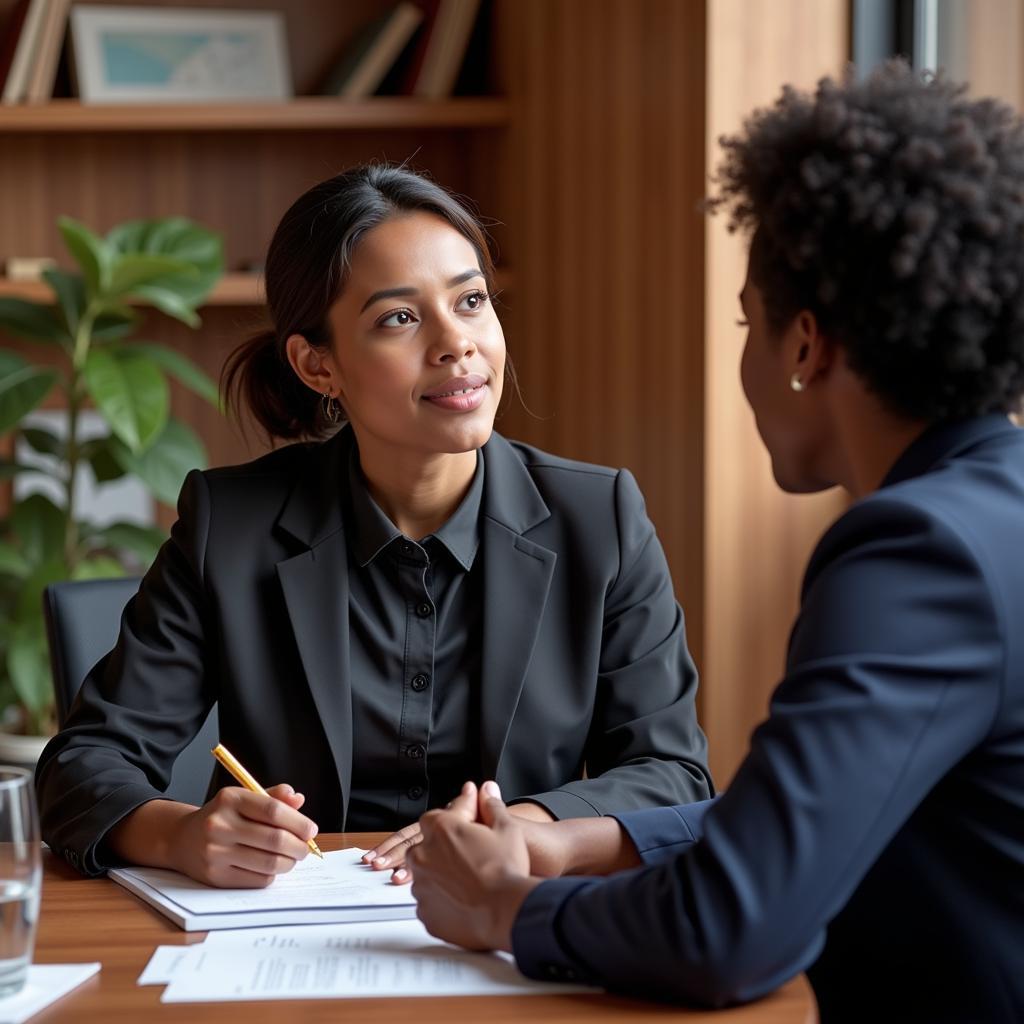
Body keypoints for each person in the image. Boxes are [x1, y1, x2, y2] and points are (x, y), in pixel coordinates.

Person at [405, 63, 1024, 1024]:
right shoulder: (996, 509)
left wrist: (506, 906)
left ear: (805, 347)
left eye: (748, 323)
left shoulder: (916, 553)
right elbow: (811, 821)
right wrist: (585, 843)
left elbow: (728, 932)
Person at [35, 165, 713, 888]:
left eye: (472, 301)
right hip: (283, 942)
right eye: (400, 317)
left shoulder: (598, 519)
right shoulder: (230, 527)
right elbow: (82, 768)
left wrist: (530, 828)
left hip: (510, 926)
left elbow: (670, 773)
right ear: (317, 364)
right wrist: (180, 835)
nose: (457, 343)